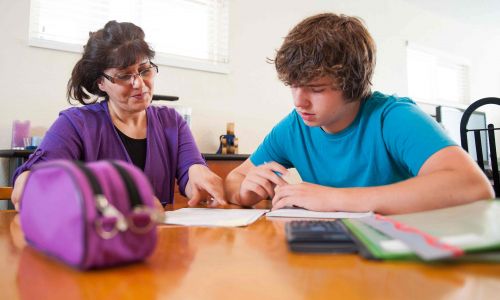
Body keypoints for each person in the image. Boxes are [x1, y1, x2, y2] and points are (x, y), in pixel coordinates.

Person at [225, 13, 493, 214]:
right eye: (293, 86)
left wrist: (332, 199)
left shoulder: (394, 118)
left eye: (316, 89)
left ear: (351, 84)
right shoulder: (294, 128)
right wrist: (245, 192)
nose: (299, 102)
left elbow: (473, 187)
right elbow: (234, 180)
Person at [11, 21, 226, 210]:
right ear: (100, 82)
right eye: (124, 76)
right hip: (97, 246)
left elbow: (191, 175)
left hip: (161, 244)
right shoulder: (75, 124)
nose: (139, 84)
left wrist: (197, 172)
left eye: (145, 70)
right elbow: (29, 185)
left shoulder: (172, 122)